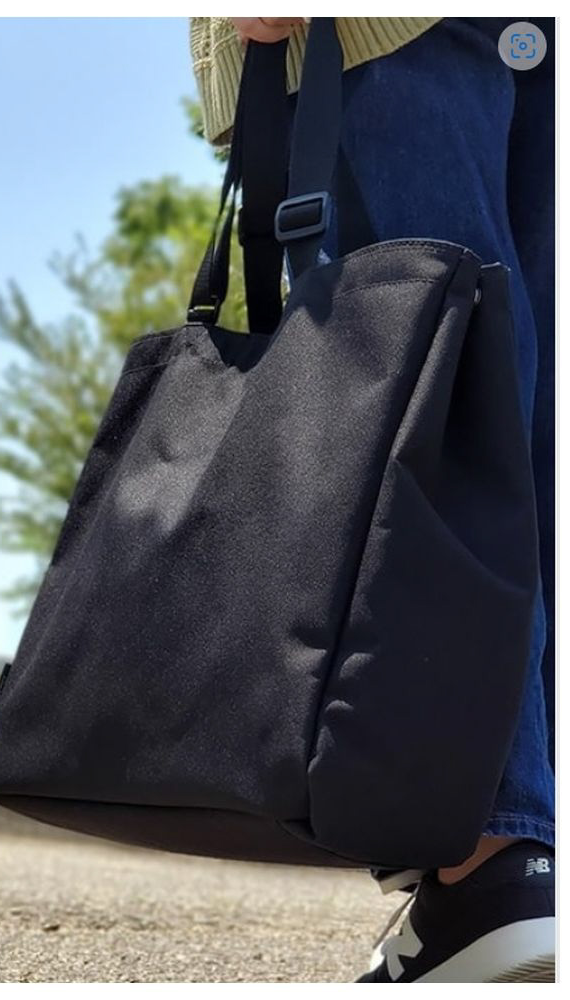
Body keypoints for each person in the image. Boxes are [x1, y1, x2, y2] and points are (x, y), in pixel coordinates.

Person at [189, 16, 556, 983]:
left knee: (420, 372)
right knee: (517, 406)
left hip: (386, 34)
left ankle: (487, 867)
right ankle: (525, 856)